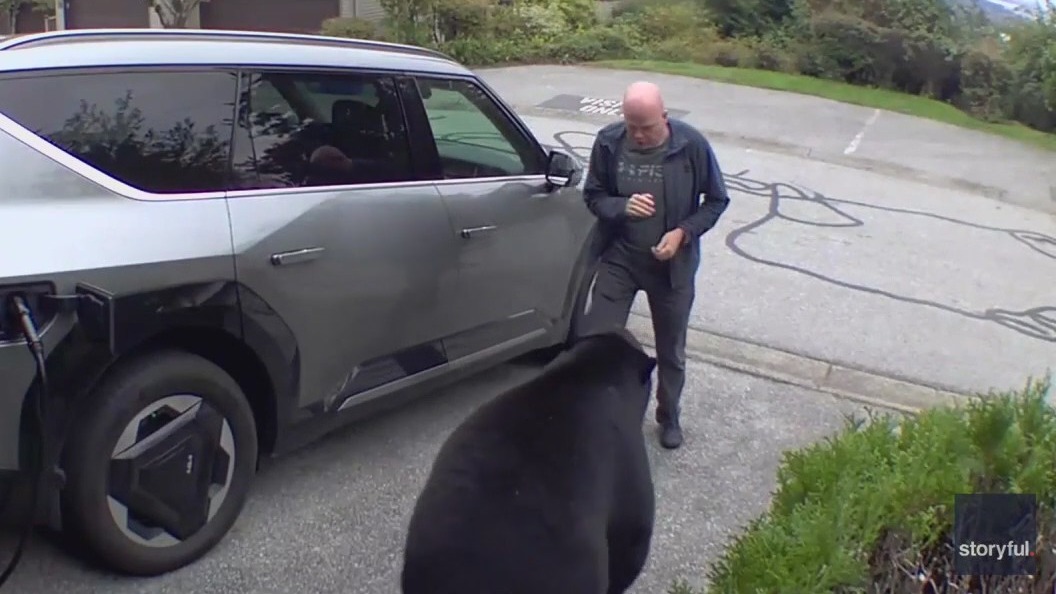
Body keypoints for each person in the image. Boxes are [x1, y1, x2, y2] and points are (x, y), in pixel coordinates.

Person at [581, 81, 730, 450]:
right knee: (598, 338)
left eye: (646, 127)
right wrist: (621, 206)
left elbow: (715, 201)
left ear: (664, 117)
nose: (639, 135)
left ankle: (669, 415)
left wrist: (682, 232)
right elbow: (593, 195)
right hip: (620, 258)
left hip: (671, 268)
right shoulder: (608, 142)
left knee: (671, 350)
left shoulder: (690, 145)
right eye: (632, 126)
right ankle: (600, 413)